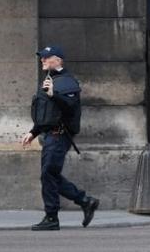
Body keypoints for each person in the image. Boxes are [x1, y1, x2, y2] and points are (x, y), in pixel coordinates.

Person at [21, 46, 99, 231]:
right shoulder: (49, 80)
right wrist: (33, 132)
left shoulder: (67, 81)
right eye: (42, 58)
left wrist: (53, 95)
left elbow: (70, 105)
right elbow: (47, 114)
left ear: (57, 60)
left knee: (48, 174)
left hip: (60, 135)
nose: (42, 60)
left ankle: (52, 217)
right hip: (50, 135)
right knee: (50, 174)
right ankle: (85, 201)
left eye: (46, 58)